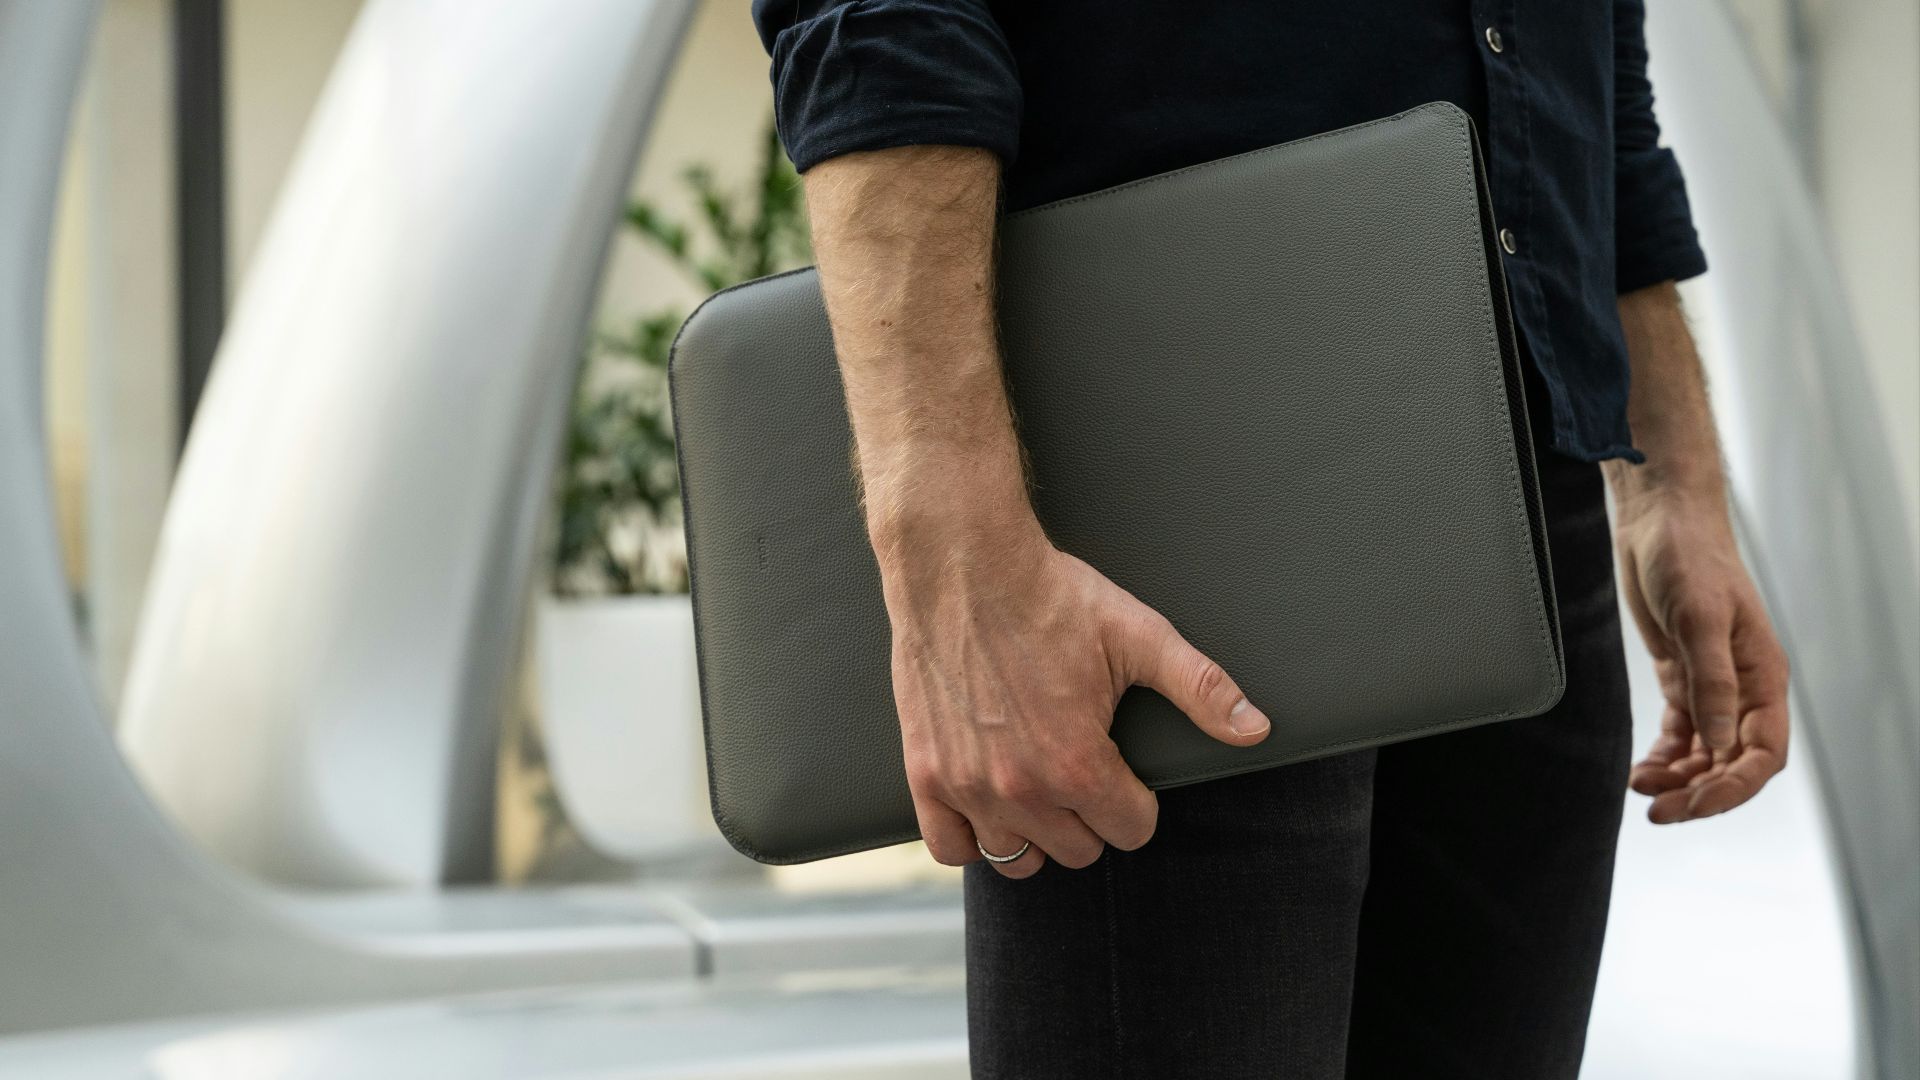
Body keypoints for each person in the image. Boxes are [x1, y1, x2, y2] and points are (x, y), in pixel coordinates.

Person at [747, 2, 1793, 1076]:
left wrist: (1673, 478)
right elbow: (875, 19)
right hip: (1173, 493)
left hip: (1529, 483)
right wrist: (952, 555)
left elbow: (1604, 56)